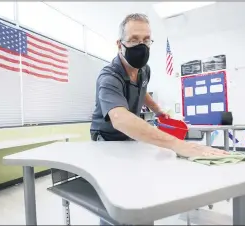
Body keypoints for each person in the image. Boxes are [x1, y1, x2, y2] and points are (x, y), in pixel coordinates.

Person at [90, 13, 229, 225]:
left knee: (138, 188)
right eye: (134, 40)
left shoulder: (144, 69)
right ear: (119, 44)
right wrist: (176, 144)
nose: (142, 46)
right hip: (107, 139)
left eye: (146, 40)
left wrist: (157, 110)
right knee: (114, 199)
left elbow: (142, 89)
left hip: (130, 139)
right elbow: (120, 119)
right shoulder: (109, 76)